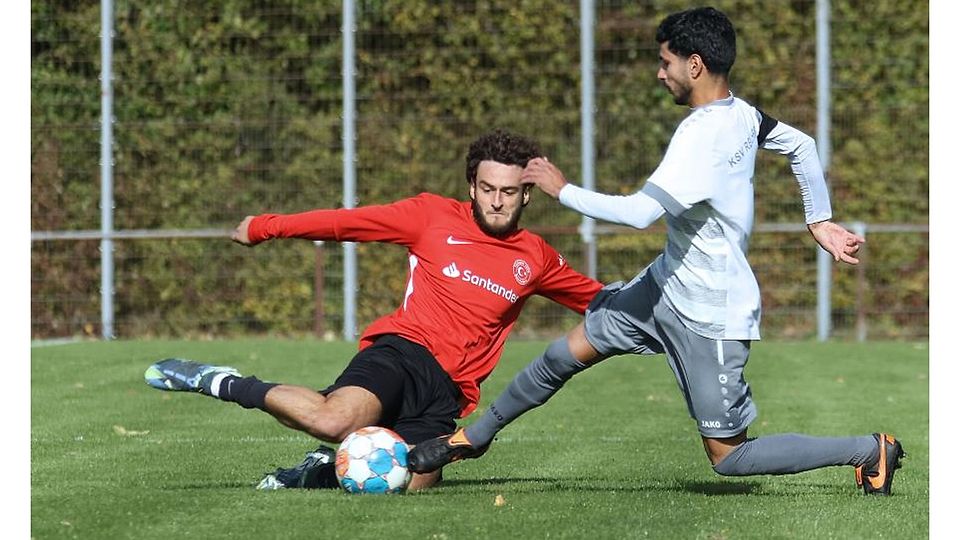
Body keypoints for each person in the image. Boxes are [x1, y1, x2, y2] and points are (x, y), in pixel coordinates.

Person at [409, 7, 905, 496]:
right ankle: (470, 438)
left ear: (694, 65)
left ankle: (868, 449)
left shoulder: (702, 138)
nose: (659, 72)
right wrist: (817, 218)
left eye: (665, 61)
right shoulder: (741, 114)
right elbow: (801, 145)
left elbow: (640, 214)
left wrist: (563, 191)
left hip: (710, 314)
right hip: (662, 288)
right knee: (564, 354)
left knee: (730, 458)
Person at [143, 129, 604, 491]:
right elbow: (347, 224)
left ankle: (315, 472)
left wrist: (663, 312)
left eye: (508, 191)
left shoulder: (536, 258)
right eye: (487, 189)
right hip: (402, 352)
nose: (497, 200)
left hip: (447, 391)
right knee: (334, 420)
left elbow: (599, 301)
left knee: (411, 482)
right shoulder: (431, 216)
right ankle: (222, 381)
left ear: (527, 195)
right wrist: (267, 227)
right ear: (472, 186)